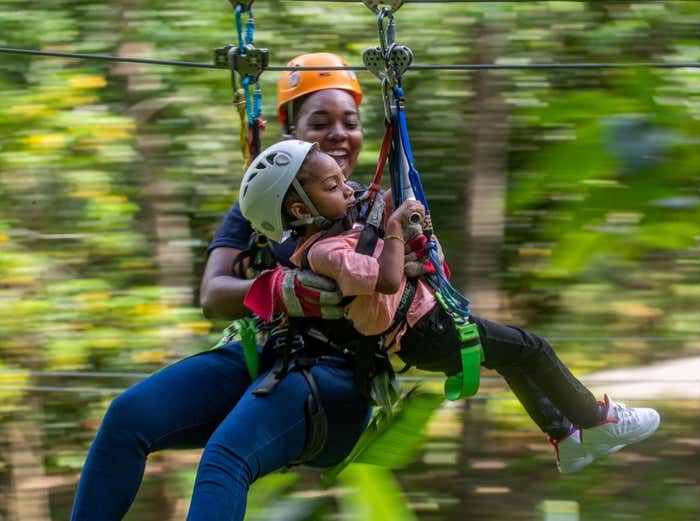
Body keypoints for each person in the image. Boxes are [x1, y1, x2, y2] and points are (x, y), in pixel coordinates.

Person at [69, 53, 375, 521]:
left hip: (334, 376)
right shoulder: (259, 204)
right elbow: (213, 295)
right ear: (291, 134)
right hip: (263, 356)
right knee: (126, 417)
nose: (339, 134)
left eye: (350, 122)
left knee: (224, 460)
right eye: (321, 121)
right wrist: (282, 287)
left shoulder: (374, 209)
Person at [239, 139, 662, 475]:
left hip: (428, 324)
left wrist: (399, 228)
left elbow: (384, 268)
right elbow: (384, 278)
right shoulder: (325, 252)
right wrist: (392, 227)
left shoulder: (341, 235)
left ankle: (565, 439)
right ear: (300, 210)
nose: (347, 189)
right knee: (531, 348)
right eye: (332, 187)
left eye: (341, 180)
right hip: (425, 332)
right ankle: (596, 420)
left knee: (514, 359)